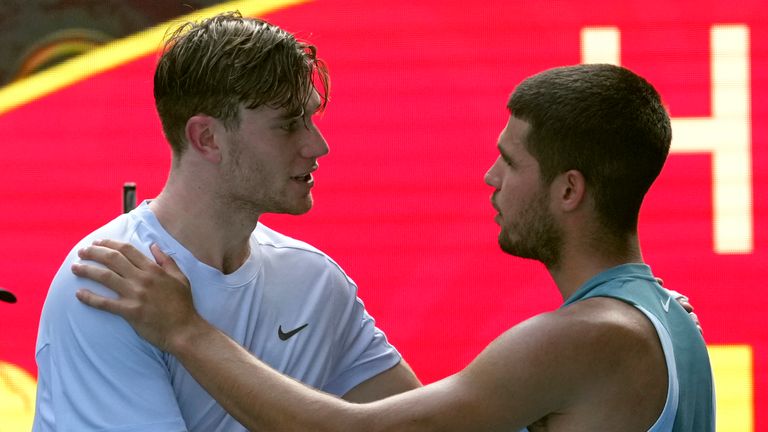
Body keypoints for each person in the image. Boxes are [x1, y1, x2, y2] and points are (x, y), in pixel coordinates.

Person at [74, 63, 715, 431]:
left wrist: (186, 331)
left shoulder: (581, 338)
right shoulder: (668, 320)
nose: (490, 178)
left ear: (569, 189)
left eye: (509, 161)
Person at [32, 12, 421, 431]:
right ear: (207, 138)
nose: (318, 145)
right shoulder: (106, 281)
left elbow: (423, 426)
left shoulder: (315, 281)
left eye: (311, 118)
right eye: (289, 124)